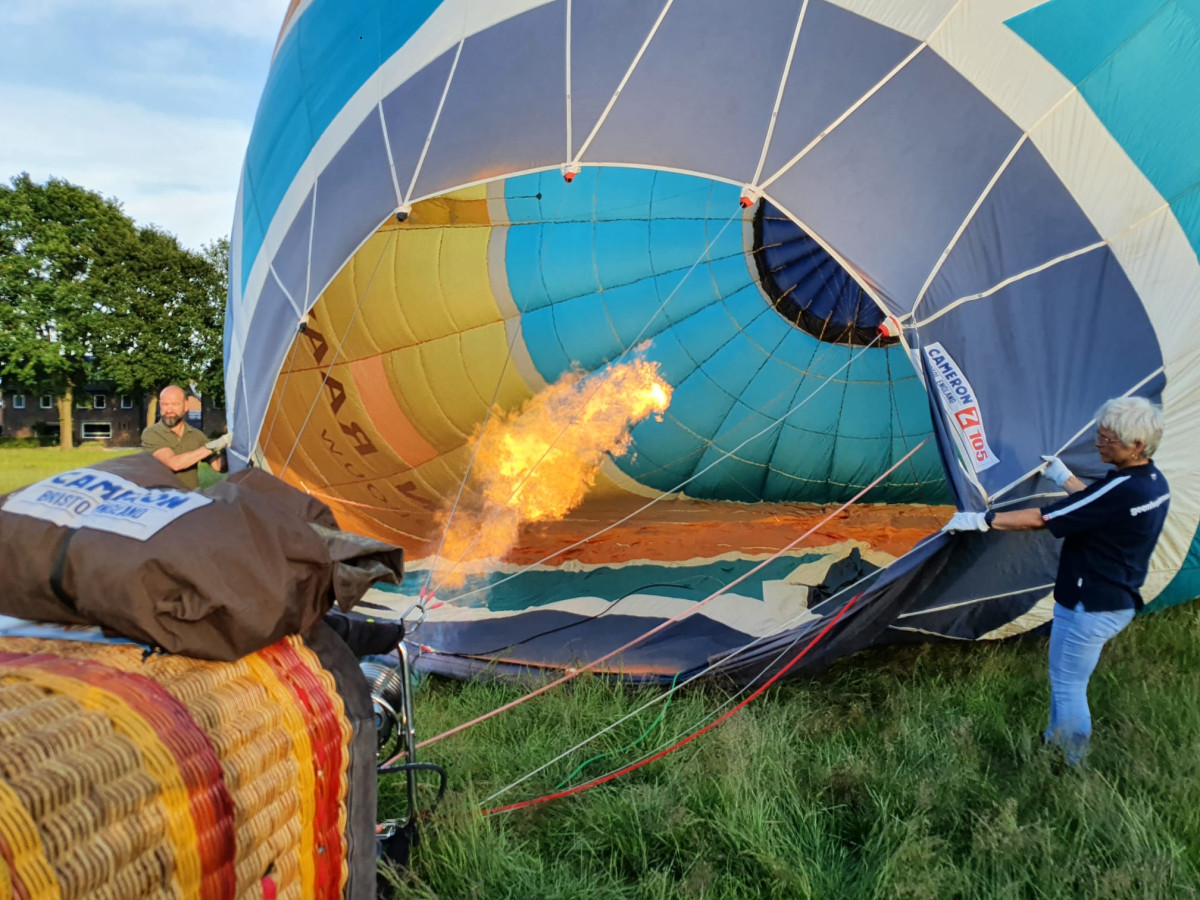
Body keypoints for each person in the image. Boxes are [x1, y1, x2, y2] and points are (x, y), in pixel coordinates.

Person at [942, 396, 1169, 765]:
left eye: (1107, 439)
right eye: (1099, 434)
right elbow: (1097, 506)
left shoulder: (1124, 488)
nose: (1098, 443)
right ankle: (1055, 742)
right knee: (1069, 680)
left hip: (1088, 605)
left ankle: (1070, 762)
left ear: (1137, 445)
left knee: (1068, 686)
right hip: (1117, 599)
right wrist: (1065, 478)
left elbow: (1042, 519)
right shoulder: (1154, 484)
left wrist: (983, 520)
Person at [141, 384, 231, 490]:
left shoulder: (196, 435)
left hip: (191, 498)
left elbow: (218, 466)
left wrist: (227, 447)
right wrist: (213, 446)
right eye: (165, 404)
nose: (169, 410)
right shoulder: (151, 433)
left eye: (175, 404)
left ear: (186, 406)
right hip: (163, 498)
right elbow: (175, 464)